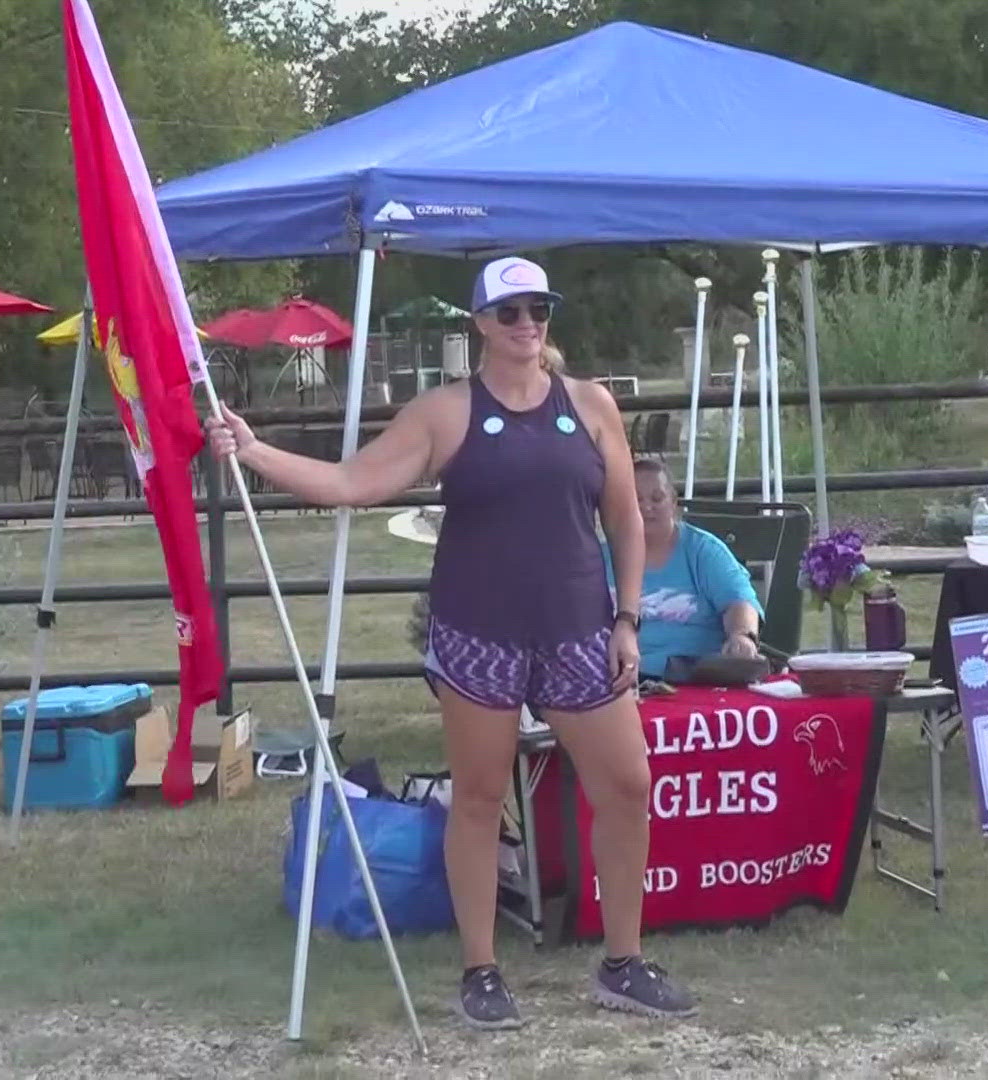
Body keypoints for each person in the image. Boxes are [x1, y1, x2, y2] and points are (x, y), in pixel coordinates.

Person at [204, 256, 697, 1029]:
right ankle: (481, 970)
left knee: (628, 785)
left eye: (537, 309)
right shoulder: (445, 412)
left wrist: (628, 619)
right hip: (479, 633)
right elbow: (350, 483)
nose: (526, 324)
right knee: (478, 797)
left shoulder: (592, 404)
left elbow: (626, 519)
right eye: (509, 312)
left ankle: (624, 962)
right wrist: (253, 450)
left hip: (579, 631)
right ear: (480, 324)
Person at [608, 457, 763, 680]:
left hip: (696, 679)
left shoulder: (703, 551)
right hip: (620, 681)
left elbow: (739, 602)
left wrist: (742, 636)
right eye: (636, 499)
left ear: (673, 502)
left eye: (657, 498)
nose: (646, 507)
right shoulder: (602, 557)